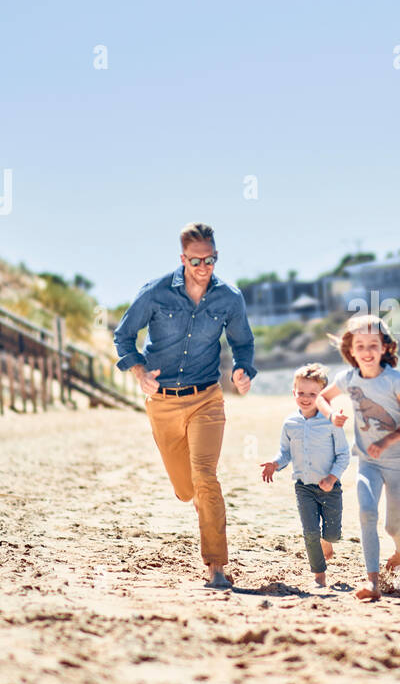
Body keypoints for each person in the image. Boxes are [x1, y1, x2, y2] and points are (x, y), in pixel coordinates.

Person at [113, 222, 257, 590]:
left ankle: (216, 567)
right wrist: (139, 372)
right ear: (182, 259)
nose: (204, 267)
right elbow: (124, 336)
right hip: (162, 402)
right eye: (196, 260)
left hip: (207, 397)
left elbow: (243, 343)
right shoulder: (157, 292)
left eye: (211, 259)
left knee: (206, 479)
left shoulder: (229, 298)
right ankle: (191, 496)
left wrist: (242, 369)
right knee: (186, 488)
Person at [315, 314, 400, 601]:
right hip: (368, 462)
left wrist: (387, 440)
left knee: (392, 526)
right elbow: (321, 398)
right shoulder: (348, 379)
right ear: (350, 350)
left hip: (399, 463)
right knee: (366, 513)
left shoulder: (395, 381)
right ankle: (372, 581)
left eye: (372, 345)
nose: (366, 352)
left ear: (385, 347)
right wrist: (332, 414)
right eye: (360, 345)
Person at [259, 363, 350, 588]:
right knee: (309, 531)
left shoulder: (331, 423)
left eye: (313, 394)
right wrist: (275, 463)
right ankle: (319, 575)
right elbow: (285, 452)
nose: (306, 398)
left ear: (324, 397)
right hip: (303, 487)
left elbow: (344, 455)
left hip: (330, 488)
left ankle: (326, 542)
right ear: (294, 393)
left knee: (333, 534)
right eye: (301, 393)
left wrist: (332, 477)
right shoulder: (290, 423)